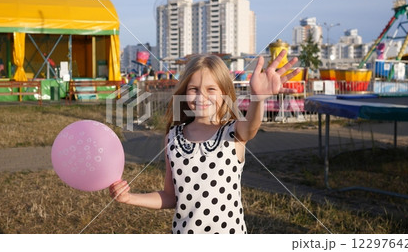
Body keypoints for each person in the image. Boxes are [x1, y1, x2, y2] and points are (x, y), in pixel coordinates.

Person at [109, 51, 299, 234]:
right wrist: (129, 198)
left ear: (224, 92)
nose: (201, 96)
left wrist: (257, 100)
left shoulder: (233, 132)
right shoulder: (173, 138)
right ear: (184, 91)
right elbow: (170, 196)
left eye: (211, 89)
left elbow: (251, 126)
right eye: (194, 89)